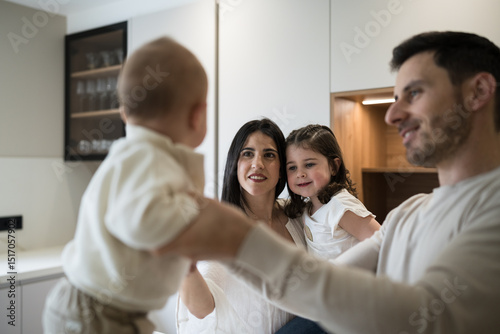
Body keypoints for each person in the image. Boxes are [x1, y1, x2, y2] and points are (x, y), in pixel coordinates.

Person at [154, 31, 500, 333]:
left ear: (479, 91)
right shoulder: (407, 214)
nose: (392, 114)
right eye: (395, 99)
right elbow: (308, 285)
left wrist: (239, 239)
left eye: (414, 93)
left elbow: (423, 316)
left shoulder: (491, 211)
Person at [43, 36, 209, 334]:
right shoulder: (151, 159)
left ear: (123, 113)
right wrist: (194, 213)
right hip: (97, 314)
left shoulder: (134, 156)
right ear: (198, 116)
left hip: (93, 307)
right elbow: (140, 220)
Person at [176, 118, 307, 333]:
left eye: (269, 155)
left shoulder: (297, 214)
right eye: (247, 153)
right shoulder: (220, 228)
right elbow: (201, 310)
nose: (258, 164)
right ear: (235, 164)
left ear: (282, 169)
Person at [284, 124, 380, 261]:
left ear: (334, 166)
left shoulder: (340, 206)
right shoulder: (307, 208)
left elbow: (384, 243)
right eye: (292, 167)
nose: (300, 174)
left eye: (309, 164)